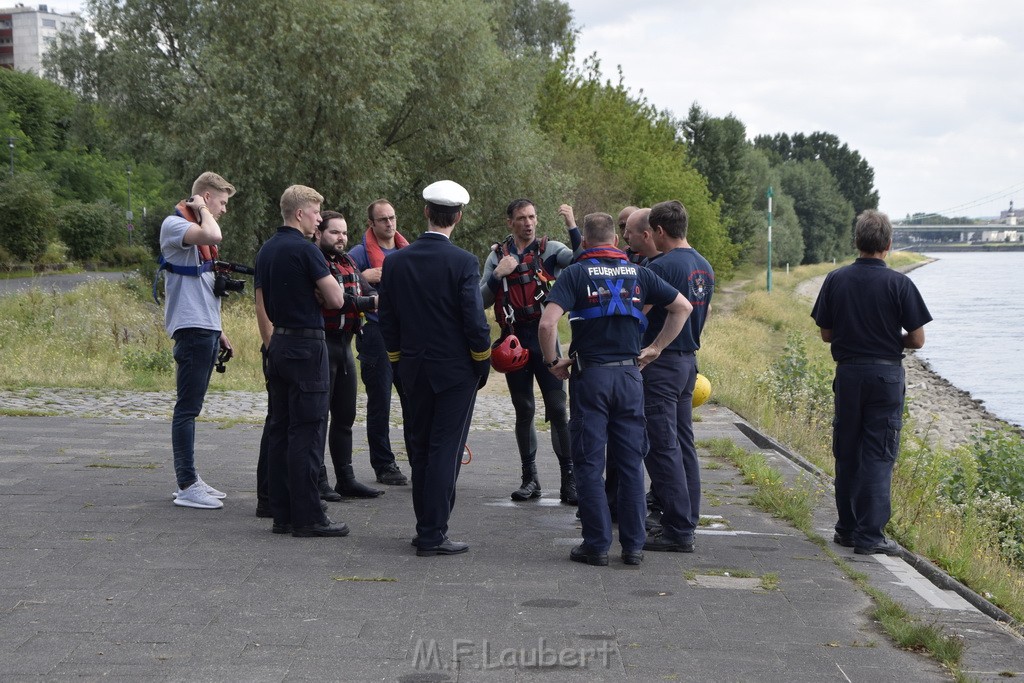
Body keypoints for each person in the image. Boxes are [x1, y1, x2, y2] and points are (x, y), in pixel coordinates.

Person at [539, 212, 691, 567]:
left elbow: (548, 324)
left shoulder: (576, 273)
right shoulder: (640, 273)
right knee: (630, 463)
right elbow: (682, 307)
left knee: (590, 464)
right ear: (615, 241)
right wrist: (655, 348)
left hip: (591, 379)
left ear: (587, 243)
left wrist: (553, 363)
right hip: (630, 378)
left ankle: (595, 545)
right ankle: (634, 547)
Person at [379, 180, 491, 557]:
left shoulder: (395, 260)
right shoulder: (463, 262)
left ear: (426, 211)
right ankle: (432, 533)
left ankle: (424, 526)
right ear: (458, 216)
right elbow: (475, 322)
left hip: (413, 367)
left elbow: (388, 318)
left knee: (420, 448)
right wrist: (482, 361)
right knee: (446, 449)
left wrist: (396, 361)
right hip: (455, 371)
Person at [811, 209, 931, 556]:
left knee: (846, 449)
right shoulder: (900, 283)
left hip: (848, 373)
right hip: (886, 376)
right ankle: (870, 536)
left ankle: (846, 528)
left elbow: (826, 333)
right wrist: (892, 342)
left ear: (856, 242)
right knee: (878, 453)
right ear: (889, 245)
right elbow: (918, 339)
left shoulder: (835, 279)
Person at [255, 185, 348, 538]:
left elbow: (263, 301)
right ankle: (309, 517)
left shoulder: (266, 250)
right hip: (307, 346)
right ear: (299, 214)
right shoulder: (307, 251)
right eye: (315, 213)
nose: (319, 219)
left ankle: (282, 513)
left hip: (278, 343)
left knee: (280, 429)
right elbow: (337, 299)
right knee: (307, 433)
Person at [480, 199, 582, 504]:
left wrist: (572, 225)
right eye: (522, 218)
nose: (529, 223)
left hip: (545, 338)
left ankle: (569, 480)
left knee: (558, 409)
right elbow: (481, 300)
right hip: (515, 341)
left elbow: (581, 258)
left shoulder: (551, 250)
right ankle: (530, 479)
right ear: (510, 222)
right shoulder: (497, 256)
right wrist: (497, 274)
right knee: (524, 409)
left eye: (532, 217)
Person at [159, 171, 236, 510]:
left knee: (193, 407)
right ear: (205, 198)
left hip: (204, 327)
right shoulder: (174, 225)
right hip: (190, 329)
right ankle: (187, 483)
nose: (224, 210)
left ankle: (191, 478)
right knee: (187, 409)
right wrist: (201, 209)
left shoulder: (195, 231)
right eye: (221, 202)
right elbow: (212, 231)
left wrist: (218, 329)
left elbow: (203, 287)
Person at [641, 200, 715, 554]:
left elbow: (639, 312)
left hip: (662, 364)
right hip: (688, 363)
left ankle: (678, 528)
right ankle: (688, 516)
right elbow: (706, 310)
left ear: (658, 231)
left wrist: (653, 346)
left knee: (661, 445)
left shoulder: (660, 266)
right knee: (684, 444)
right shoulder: (704, 265)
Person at [314, 211, 384, 499]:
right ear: (319, 233)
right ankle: (318, 481)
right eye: (334, 232)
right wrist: (371, 302)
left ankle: (346, 477)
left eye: (344, 233)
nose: (341, 238)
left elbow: (368, 290)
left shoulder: (349, 261)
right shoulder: (314, 262)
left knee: (345, 416)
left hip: (345, 345)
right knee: (318, 418)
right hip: (322, 344)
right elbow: (336, 302)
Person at [348, 199, 409, 486]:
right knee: (380, 402)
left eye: (392, 218)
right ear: (371, 223)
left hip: (407, 334)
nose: (389, 223)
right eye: (383, 219)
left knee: (413, 400)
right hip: (374, 334)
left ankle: (419, 457)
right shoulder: (358, 254)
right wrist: (363, 277)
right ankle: (383, 464)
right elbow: (338, 285)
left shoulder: (407, 252)